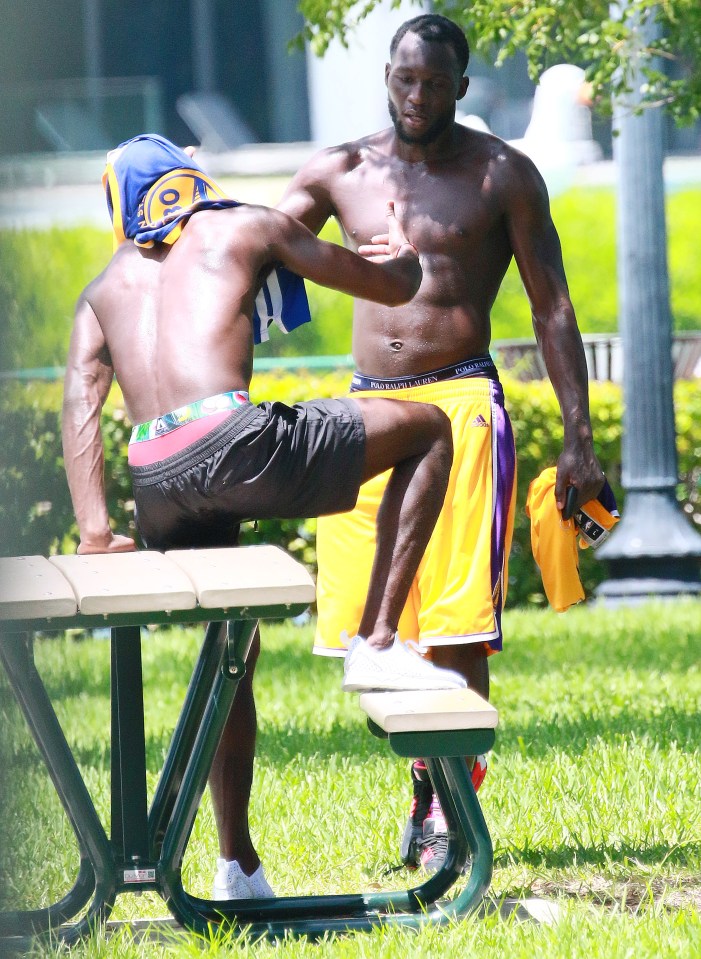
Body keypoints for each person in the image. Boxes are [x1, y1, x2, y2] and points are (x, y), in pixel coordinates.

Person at [62, 133, 468, 902]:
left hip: (157, 478)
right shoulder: (243, 223)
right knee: (428, 430)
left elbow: (81, 404)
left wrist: (94, 530)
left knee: (230, 651)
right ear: (190, 183)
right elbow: (387, 287)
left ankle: (237, 865)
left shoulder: (104, 283)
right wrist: (406, 258)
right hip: (233, 442)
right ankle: (378, 642)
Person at [278, 13, 605, 872]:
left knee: (454, 623)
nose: (415, 96)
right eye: (403, 78)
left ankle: (445, 808)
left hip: (459, 401)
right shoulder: (341, 169)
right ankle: (424, 789)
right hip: (366, 413)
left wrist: (578, 438)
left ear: (462, 86)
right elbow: (253, 250)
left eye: (433, 82)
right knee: (369, 627)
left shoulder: (502, 174)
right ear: (386, 76)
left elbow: (552, 304)